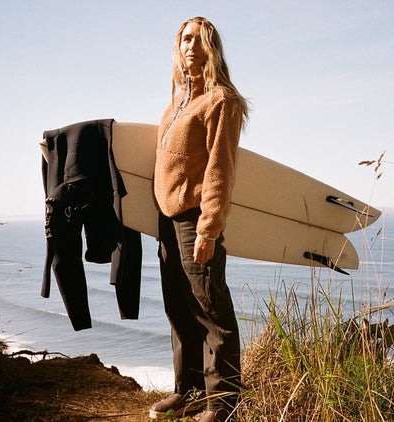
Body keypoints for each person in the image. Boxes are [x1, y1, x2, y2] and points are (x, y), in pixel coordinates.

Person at [149, 17, 249, 422]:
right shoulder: (175, 104)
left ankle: (221, 404)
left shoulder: (220, 101)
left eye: (199, 40)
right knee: (178, 309)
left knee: (212, 312)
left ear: (212, 49)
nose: (191, 46)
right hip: (166, 220)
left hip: (194, 220)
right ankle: (187, 393)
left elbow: (219, 172)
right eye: (184, 39)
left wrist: (208, 228)